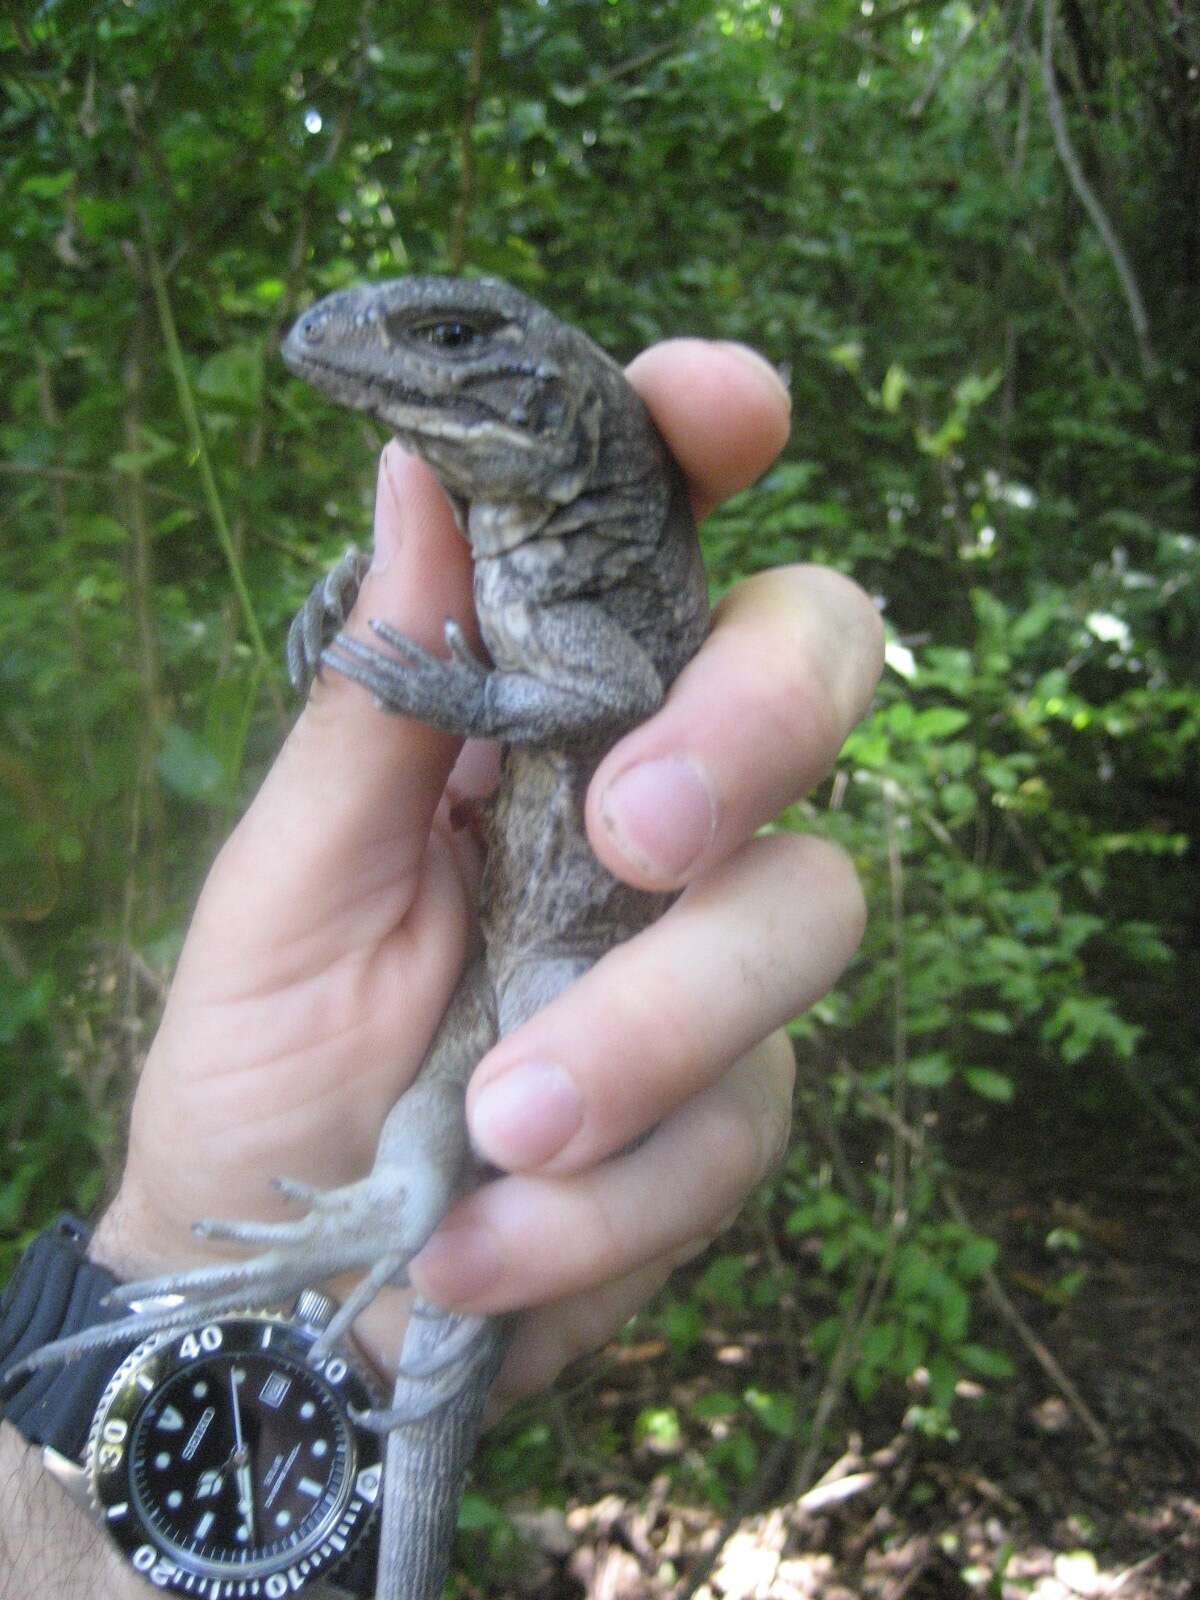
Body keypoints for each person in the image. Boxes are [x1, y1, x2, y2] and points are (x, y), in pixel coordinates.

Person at [0, 336, 883, 1595]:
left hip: (557, 952)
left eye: (454, 339)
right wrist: (372, 597)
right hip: (499, 963)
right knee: (459, 1115)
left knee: (504, 1092)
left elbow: (610, 683)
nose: (373, 341)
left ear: (547, 406)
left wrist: (444, 687)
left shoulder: (593, 536)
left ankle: (376, 1243)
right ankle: (373, 1238)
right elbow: (518, 655)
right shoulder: (513, 530)